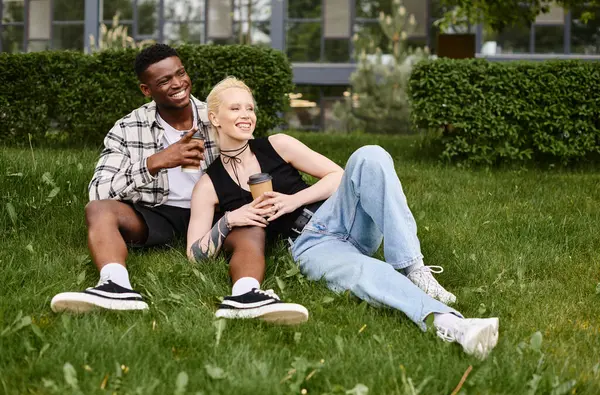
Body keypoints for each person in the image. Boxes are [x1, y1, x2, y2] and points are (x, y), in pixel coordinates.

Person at [187, 77, 499, 358]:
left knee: (370, 155)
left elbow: (339, 176)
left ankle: (412, 267)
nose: (247, 115)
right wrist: (230, 219)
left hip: (338, 214)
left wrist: (293, 199)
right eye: (236, 108)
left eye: (250, 108)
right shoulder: (209, 184)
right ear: (214, 117)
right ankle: (451, 324)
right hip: (310, 246)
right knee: (367, 272)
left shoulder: (277, 145)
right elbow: (193, 253)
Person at [50, 44, 219, 313]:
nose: (178, 83)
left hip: (213, 214)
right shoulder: (128, 127)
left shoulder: (216, 116)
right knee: (98, 210)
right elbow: (99, 192)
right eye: (164, 80)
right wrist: (155, 162)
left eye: (180, 73)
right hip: (156, 214)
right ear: (146, 90)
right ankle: (116, 286)